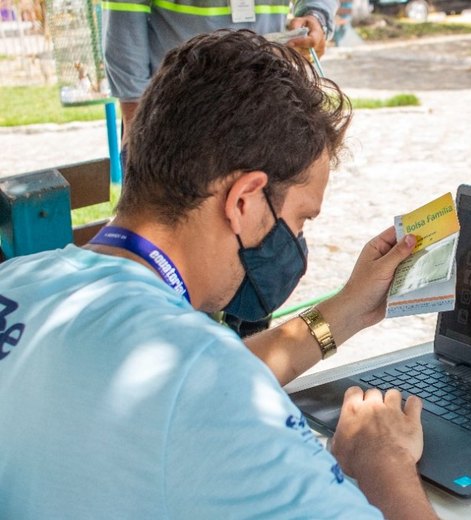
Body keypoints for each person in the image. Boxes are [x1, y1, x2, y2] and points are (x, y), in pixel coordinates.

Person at [0, 30, 437, 519]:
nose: (296, 242)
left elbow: (189, 381)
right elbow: (206, 388)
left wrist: (348, 310)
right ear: (245, 200)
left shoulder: (21, 281)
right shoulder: (207, 390)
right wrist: (385, 462)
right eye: (299, 220)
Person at [102, 0, 336, 139]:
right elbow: (124, 17)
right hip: (179, 116)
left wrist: (316, 14)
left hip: (268, 104)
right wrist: (136, 126)